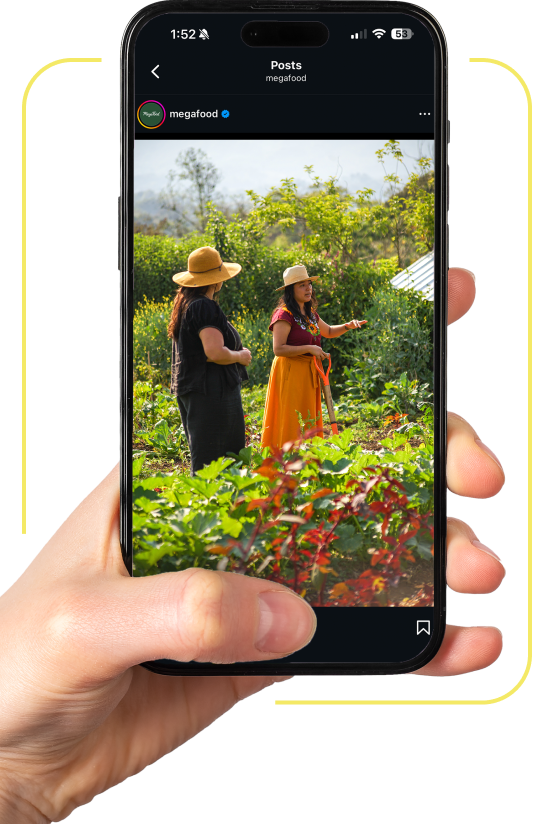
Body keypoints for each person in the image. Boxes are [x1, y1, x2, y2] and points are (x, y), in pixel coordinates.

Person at [1, 269, 505, 820]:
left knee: (268, 446)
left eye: (313, 285)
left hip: (272, 382)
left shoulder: (266, 311)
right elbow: (268, 349)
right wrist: (249, 357)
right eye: (305, 286)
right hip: (273, 381)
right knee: (254, 445)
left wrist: (337, 329)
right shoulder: (264, 316)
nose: (310, 291)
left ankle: (290, 485)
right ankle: (274, 487)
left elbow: (320, 332)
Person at [168, 246, 252, 475]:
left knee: (206, 457)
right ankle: (221, 508)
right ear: (215, 280)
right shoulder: (204, 306)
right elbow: (214, 352)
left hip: (196, 390)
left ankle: (209, 508)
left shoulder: (187, 304)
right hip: (212, 392)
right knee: (218, 462)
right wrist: (240, 356)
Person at [261, 265, 365, 449]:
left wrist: (348, 325)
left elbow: (329, 331)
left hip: (309, 373)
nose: (308, 288)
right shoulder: (284, 314)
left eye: (309, 284)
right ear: (290, 290)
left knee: (308, 416)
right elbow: (278, 349)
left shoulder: (310, 315)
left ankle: (307, 459)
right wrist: (310, 348)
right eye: (302, 285)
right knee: (292, 417)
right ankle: (286, 459)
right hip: (290, 372)